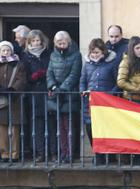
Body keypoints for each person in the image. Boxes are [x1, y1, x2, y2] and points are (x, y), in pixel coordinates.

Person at [46, 31, 81, 163]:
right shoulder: (53, 55)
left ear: (68, 42)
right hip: (56, 95)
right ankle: (63, 153)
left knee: (69, 126)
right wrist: (53, 86)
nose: (61, 45)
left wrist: (63, 88)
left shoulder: (76, 55)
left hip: (69, 95)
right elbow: (49, 73)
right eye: (58, 43)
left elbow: (74, 74)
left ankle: (71, 153)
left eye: (63, 43)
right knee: (60, 127)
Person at [79, 38, 119, 147]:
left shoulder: (111, 63)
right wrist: (83, 91)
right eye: (92, 52)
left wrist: (110, 94)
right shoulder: (87, 65)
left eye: (97, 52)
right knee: (90, 127)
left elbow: (117, 82)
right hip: (90, 102)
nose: (95, 55)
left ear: (103, 52)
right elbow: (82, 81)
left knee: (106, 129)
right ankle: (97, 153)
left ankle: (107, 154)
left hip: (106, 103)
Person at [21, 30, 51, 163]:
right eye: (33, 41)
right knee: (37, 125)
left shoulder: (48, 54)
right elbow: (23, 76)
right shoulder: (25, 56)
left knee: (51, 123)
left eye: (38, 40)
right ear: (29, 42)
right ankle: (39, 152)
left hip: (48, 91)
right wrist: (33, 78)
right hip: (34, 94)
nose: (36, 43)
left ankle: (52, 152)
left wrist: (46, 76)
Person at [0, 40, 26, 162]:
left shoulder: (18, 64)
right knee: (2, 128)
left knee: (15, 128)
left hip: (15, 99)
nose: (6, 52)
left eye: (8, 50)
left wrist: (12, 89)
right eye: (3, 50)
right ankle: (4, 153)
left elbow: (21, 79)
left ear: (12, 51)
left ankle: (15, 154)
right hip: (1, 99)